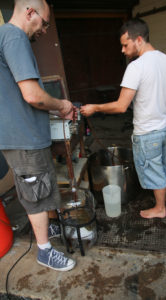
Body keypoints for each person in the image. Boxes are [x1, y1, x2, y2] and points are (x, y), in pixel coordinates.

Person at [0, 0, 76, 271]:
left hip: (23, 134)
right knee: (36, 193)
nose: (45, 29)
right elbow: (32, 95)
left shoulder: (7, 37)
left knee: (40, 188)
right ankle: (44, 250)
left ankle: (48, 230)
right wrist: (62, 105)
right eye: (44, 23)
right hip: (23, 137)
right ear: (29, 12)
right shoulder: (14, 36)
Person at [80, 18, 166, 219]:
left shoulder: (136, 66)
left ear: (138, 39)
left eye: (125, 44)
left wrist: (95, 107)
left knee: (154, 168)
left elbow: (121, 106)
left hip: (148, 133)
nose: (123, 50)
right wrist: (163, 119)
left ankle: (159, 208)